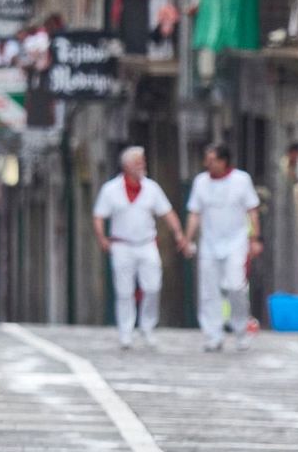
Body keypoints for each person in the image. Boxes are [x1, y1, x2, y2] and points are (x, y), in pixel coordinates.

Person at [93, 146, 188, 349]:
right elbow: (99, 215)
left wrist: (179, 233)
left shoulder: (152, 188)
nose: (142, 166)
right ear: (127, 166)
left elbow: (167, 212)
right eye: (138, 163)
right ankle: (125, 332)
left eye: (143, 162)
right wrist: (102, 237)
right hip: (121, 245)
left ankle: (147, 327)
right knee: (124, 291)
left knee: (152, 287)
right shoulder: (111, 190)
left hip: (146, 244)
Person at [184, 144, 263, 352]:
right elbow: (194, 212)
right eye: (206, 160)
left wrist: (255, 238)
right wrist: (187, 238)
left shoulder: (241, 180)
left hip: (236, 241)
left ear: (223, 161)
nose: (207, 164)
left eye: (212, 160)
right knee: (208, 290)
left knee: (236, 286)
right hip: (209, 242)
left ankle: (241, 330)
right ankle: (213, 334)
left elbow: (252, 210)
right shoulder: (200, 182)